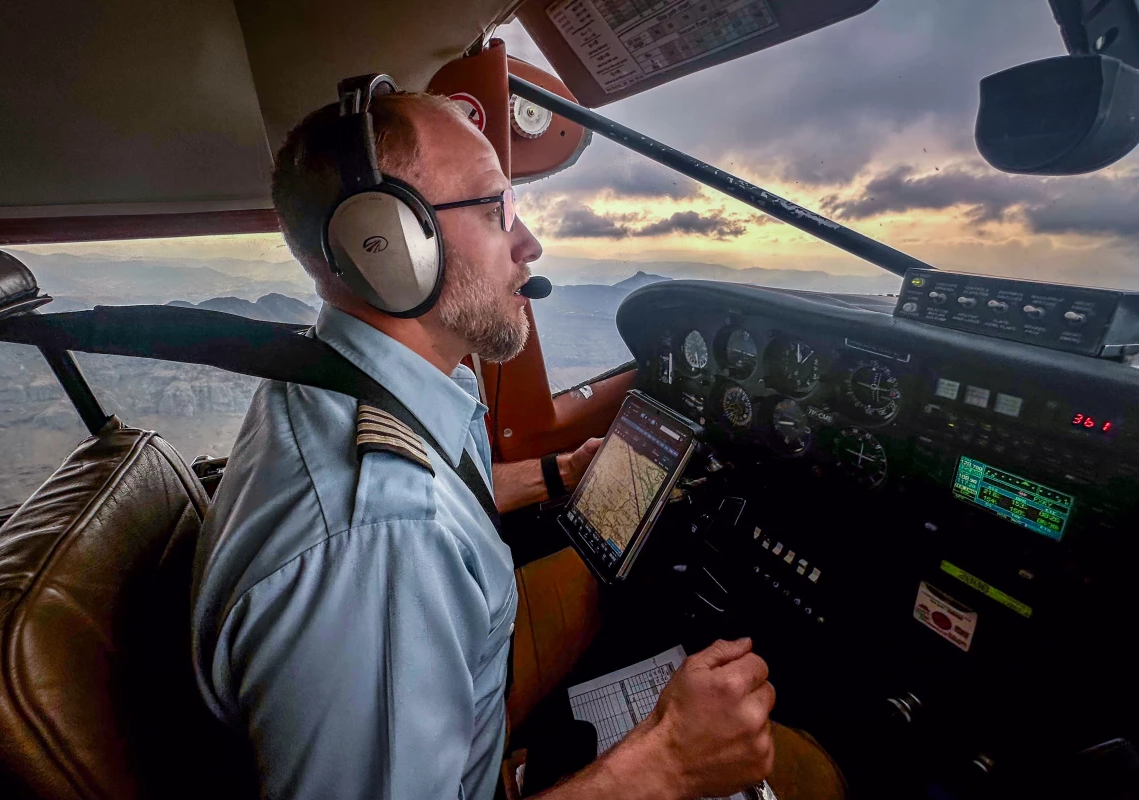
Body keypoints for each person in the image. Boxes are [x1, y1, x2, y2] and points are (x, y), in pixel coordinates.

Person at [190, 88, 844, 800]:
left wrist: (555, 474)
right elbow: (404, 524)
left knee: (607, 584)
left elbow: (439, 484)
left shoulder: (334, 379)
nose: (529, 244)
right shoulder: (382, 547)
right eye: (496, 208)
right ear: (387, 246)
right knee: (806, 771)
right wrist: (667, 763)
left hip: (463, 712)